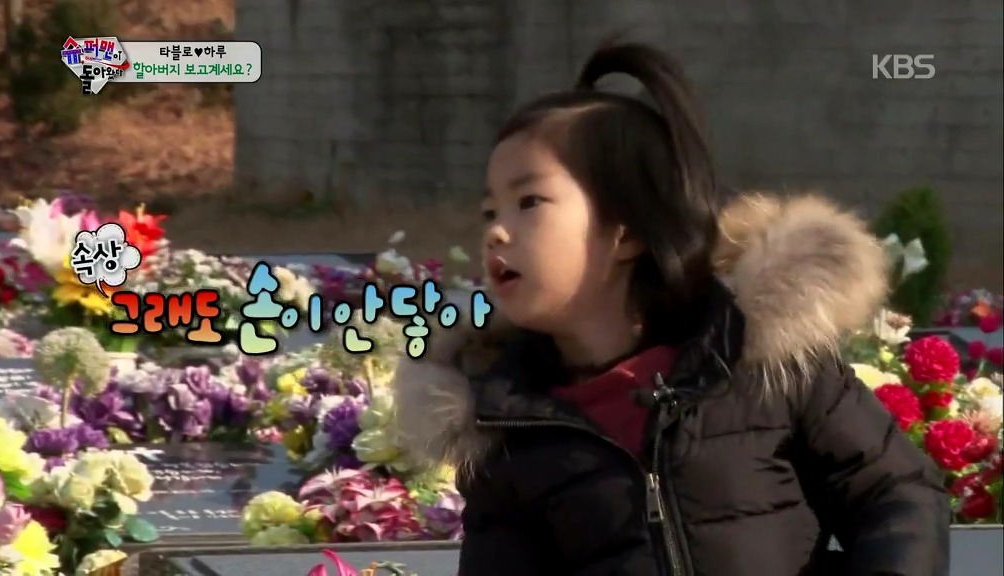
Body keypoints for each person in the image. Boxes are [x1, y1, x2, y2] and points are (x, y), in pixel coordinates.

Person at [391, 40, 950, 576]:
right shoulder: (508, 431)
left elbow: (895, 494)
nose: (496, 232)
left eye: (528, 201)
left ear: (626, 232)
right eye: (490, 211)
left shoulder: (762, 360)